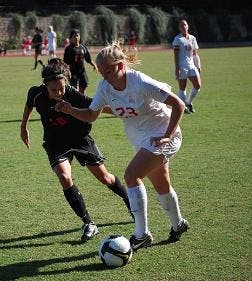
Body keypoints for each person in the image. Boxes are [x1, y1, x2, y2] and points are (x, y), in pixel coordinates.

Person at [55, 42, 190, 251]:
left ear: (120, 66)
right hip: (143, 139)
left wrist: (167, 135)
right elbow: (92, 114)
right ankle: (178, 224)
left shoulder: (140, 81)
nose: (105, 76)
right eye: (101, 72)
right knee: (161, 184)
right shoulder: (105, 86)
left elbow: (178, 105)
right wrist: (70, 109)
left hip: (162, 135)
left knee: (131, 175)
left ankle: (141, 234)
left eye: (108, 71)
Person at [20, 58, 132, 242]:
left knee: (105, 178)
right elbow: (28, 105)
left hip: (80, 139)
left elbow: (97, 107)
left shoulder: (72, 94)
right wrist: (23, 127)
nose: (59, 93)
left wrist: (125, 110)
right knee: (64, 177)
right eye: (54, 90)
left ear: (67, 83)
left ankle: (129, 202)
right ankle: (88, 223)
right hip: (55, 142)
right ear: (45, 86)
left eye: (62, 88)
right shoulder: (36, 94)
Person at [172, 19, 202, 113]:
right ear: (179, 28)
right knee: (182, 87)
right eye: (181, 26)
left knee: (197, 85)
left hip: (192, 66)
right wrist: (177, 68)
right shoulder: (178, 39)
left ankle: (189, 102)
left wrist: (198, 65)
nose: (183, 27)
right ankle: (183, 107)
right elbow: (176, 55)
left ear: (188, 26)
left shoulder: (192, 38)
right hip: (182, 66)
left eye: (185, 25)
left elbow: (194, 53)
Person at [63, 29, 97, 94]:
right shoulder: (69, 49)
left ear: (79, 36)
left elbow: (88, 59)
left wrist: (94, 65)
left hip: (82, 71)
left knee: (84, 86)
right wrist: (67, 72)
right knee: (75, 89)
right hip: (73, 72)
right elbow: (65, 63)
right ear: (71, 38)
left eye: (77, 35)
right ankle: (76, 102)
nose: (76, 37)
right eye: (74, 36)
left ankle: (81, 101)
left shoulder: (83, 47)